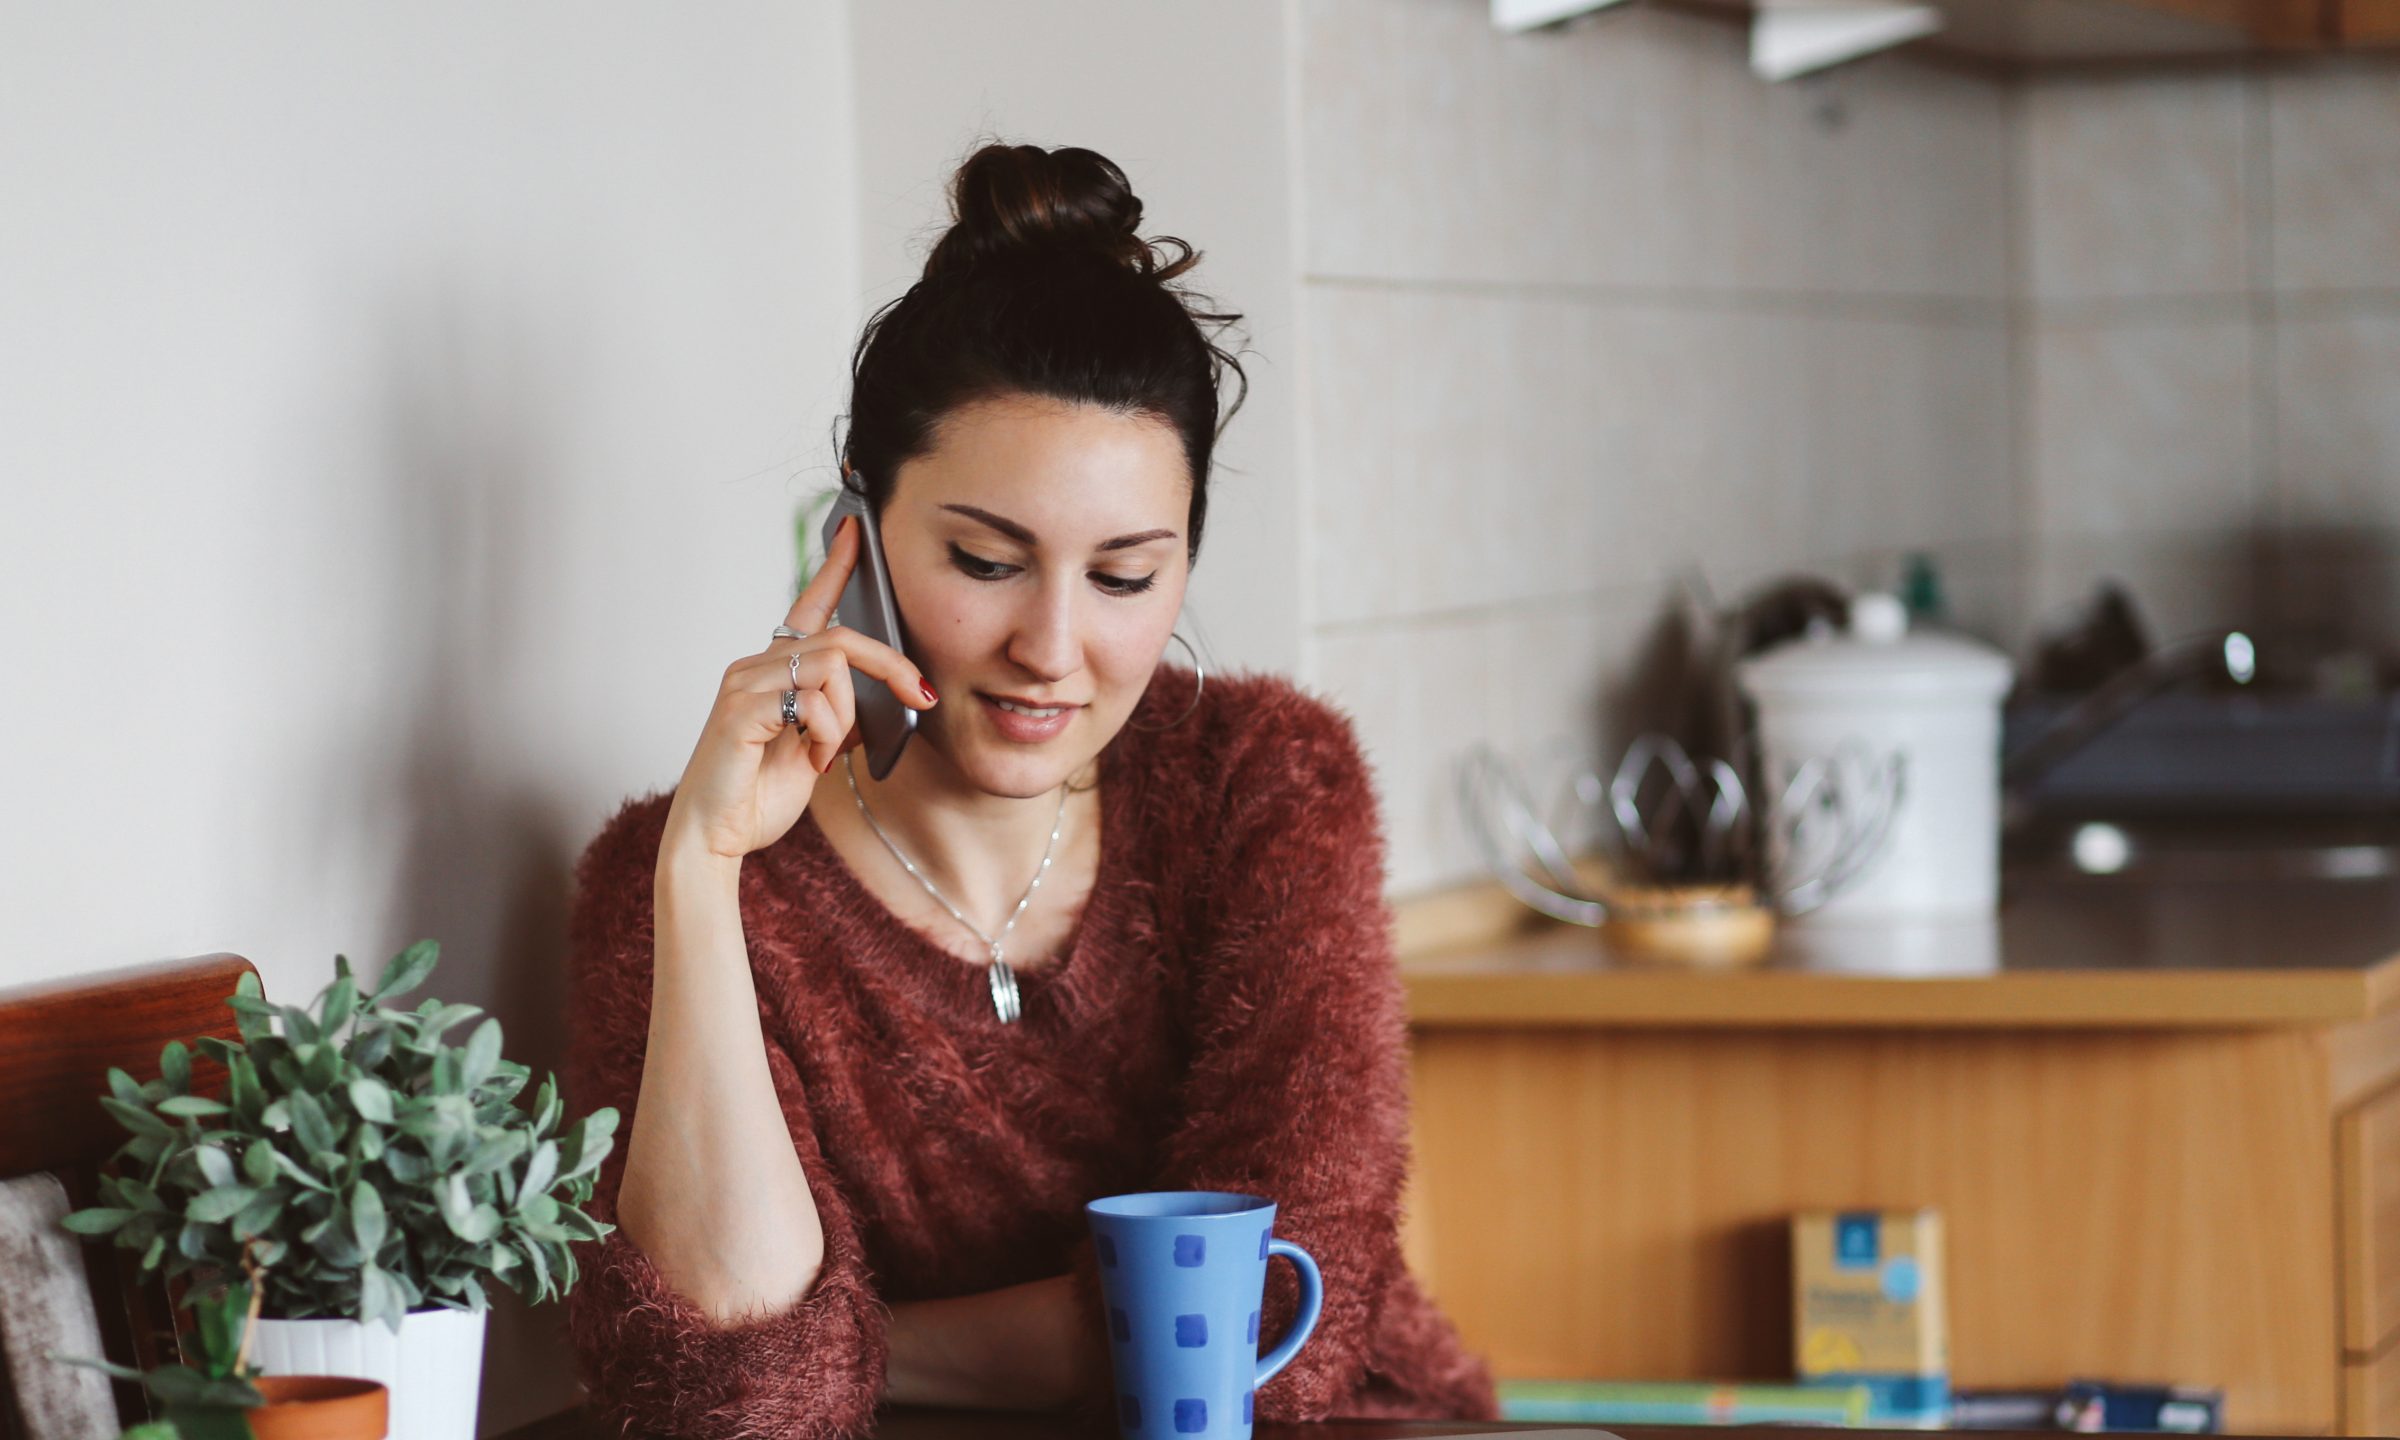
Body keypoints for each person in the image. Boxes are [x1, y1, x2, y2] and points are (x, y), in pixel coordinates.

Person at [561, 141, 1499, 1440]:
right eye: (988, 560)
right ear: (857, 544)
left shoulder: (1263, 783)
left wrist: (855, 1346)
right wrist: (702, 870)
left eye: (1124, 578)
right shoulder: (677, 884)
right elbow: (734, 1402)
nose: (1054, 648)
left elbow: (1264, 1348)